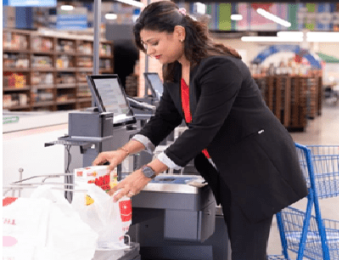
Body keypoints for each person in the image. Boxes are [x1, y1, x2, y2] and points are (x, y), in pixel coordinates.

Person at [93, 2, 308, 259]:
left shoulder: (220, 67)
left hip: (255, 165)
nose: (150, 51)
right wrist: (124, 151)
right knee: (240, 242)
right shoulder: (173, 67)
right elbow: (164, 118)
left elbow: (203, 129)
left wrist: (147, 171)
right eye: (145, 45)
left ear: (179, 33)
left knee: (247, 249)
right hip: (228, 163)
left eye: (155, 43)